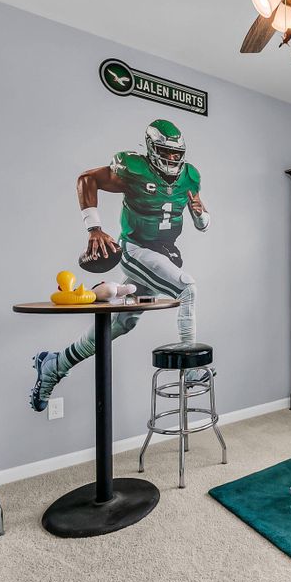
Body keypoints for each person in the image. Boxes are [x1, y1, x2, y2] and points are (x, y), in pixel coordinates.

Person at [30, 119, 209, 411]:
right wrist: (94, 228)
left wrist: (201, 215)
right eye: (166, 151)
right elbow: (87, 179)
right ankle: (189, 368)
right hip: (138, 250)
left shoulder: (190, 177)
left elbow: (202, 221)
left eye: (177, 154)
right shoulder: (133, 169)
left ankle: (55, 363)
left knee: (123, 323)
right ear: (152, 148)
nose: (172, 158)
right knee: (187, 288)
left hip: (164, 255)